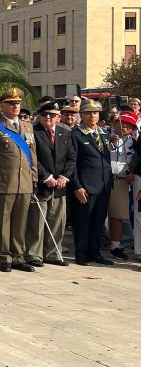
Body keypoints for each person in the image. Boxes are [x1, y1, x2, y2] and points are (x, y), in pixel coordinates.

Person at [0, 88, 39, 272]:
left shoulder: (27, 126)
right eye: (11, 103)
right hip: (4, 182)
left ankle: (18, 255)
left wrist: (34, 178)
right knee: (3, 221)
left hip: (24, 181)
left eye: (18, 103)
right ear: (3, 105)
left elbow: (32, 155)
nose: (16, 106)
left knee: (20, 221)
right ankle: (4, 256)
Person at [27, 100, 74, 267]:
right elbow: (31, 157)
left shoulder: (64, 132)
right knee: (37, 221)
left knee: (57, 220)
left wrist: (64, 177)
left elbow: (71, 157)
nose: (48, 117)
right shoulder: (33, 131)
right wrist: (46, 176)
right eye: (45, 114)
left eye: (52, 115)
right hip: (41, 183)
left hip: (60, 185)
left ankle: (53, 252)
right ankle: (34, 254)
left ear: (58, 117)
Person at [71, 99, 113, 266]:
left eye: (95, 113)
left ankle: (95, 252)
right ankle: (81, 253)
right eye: (88, 113)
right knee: (83, 221)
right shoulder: (76, 134)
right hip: (86, 186)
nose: (92, 116)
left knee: (98, 221)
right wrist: (77, 186)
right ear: (81, 115)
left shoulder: (104, 134)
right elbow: (72, 163)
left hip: (104, 185)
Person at [107, 111, 135, 259]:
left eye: (128, 125)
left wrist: (133, 173)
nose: (124, 127)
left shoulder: (134, 142)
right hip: (103, 179)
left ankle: (115, 246)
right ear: (115, 124)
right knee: (97, 214)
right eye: (121, 123)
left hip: (120, 181)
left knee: (117, 215)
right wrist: (109, 142)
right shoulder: (105, 137)